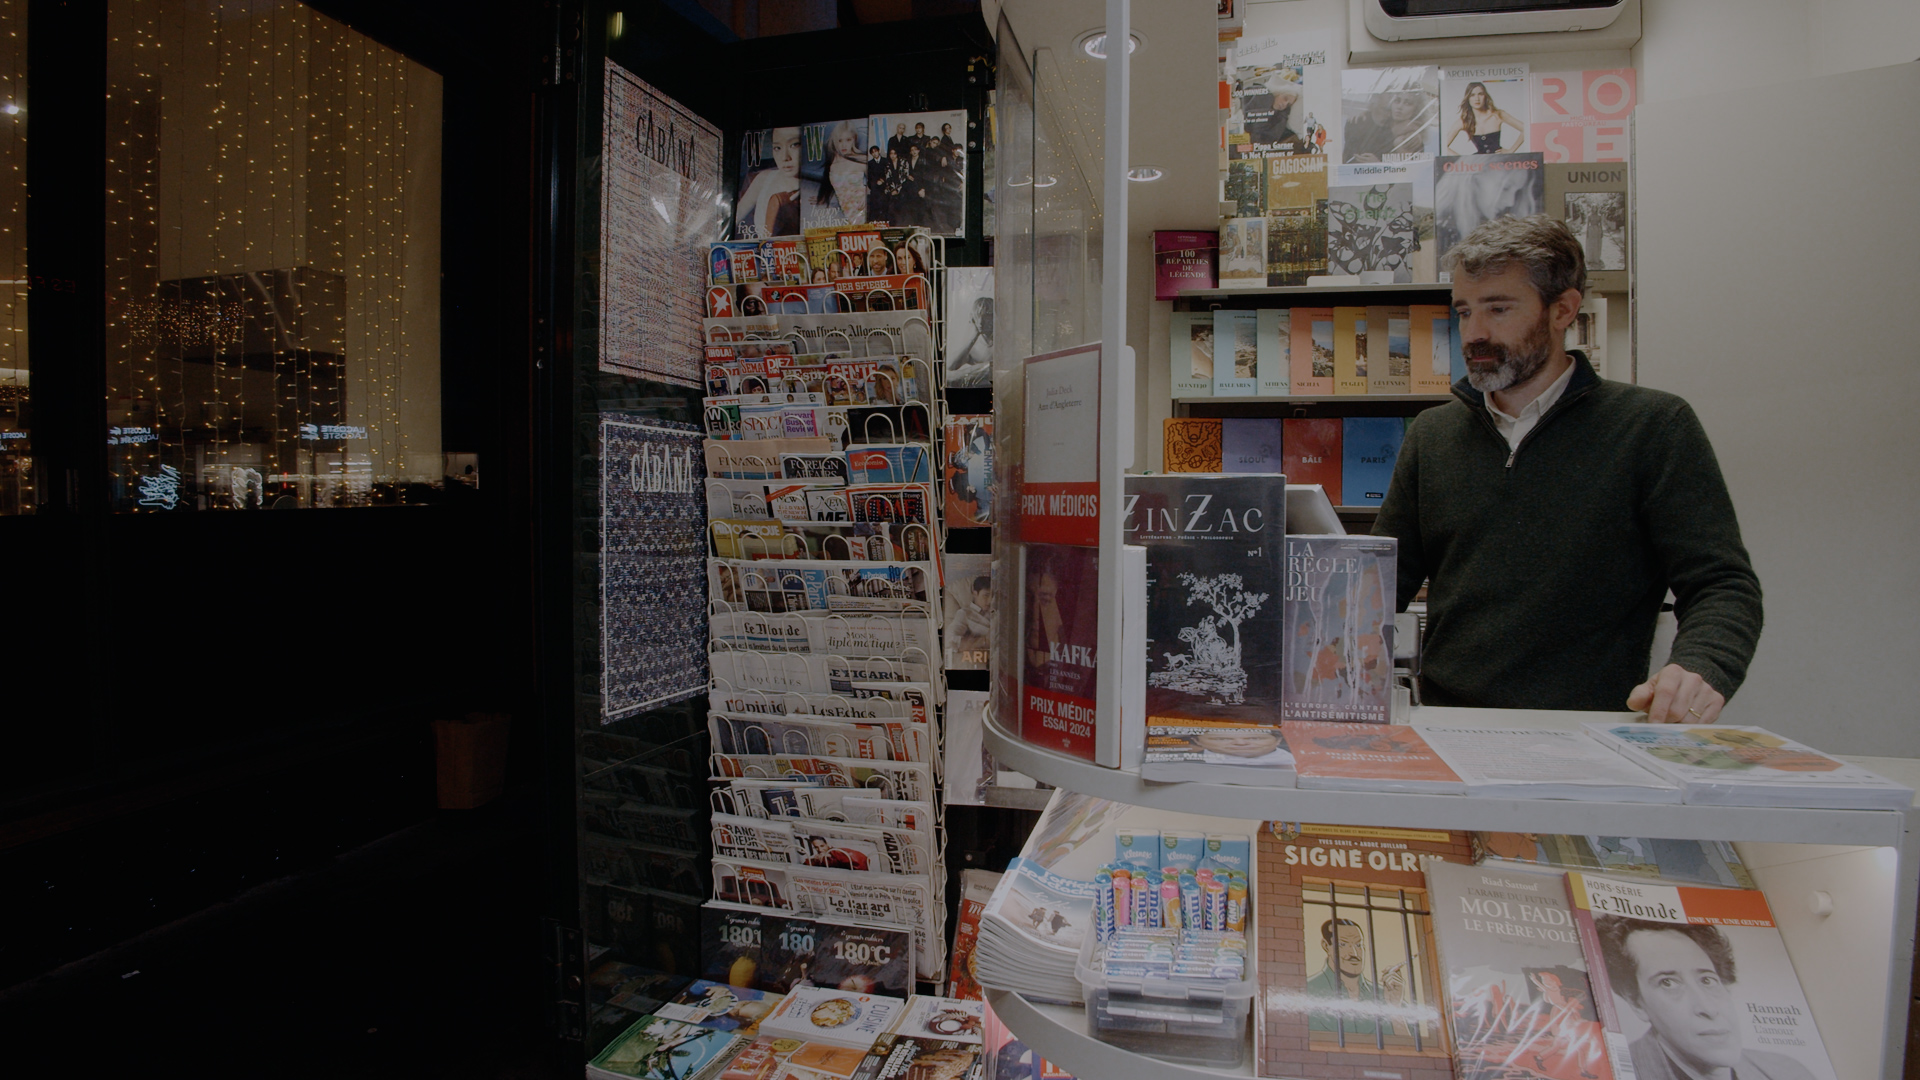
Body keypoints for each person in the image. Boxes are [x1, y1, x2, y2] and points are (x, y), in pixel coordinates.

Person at [1371, 215, 1762, 721]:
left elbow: (1721, 583)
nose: (1475, 333)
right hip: (1450, 725)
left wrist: (1701, 666)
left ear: (1563, 310)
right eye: (1464, 311)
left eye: (1498, 308)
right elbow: (1378, 586)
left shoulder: (1653, 427)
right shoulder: (1433, 435)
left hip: (1594, 729)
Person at [1594, 917, 1816, 1080]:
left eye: (1707, 980)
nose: (1708, 1008)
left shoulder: (1789, 1071)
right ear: (1636, 1002)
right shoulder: (1607, 1072)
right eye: (1668, 983)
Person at [1305, 917, 1405, 1036]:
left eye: (1358, 945)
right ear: (1326, 946)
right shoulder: (1307, 991)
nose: (1354, 953)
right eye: (1343, 944)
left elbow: (1410, 1047)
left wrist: (1395, 1008)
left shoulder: (1388, 996)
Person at [738, 126, 803, 238]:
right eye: (777, 148)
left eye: (794, 145)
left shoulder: (814, 186)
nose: (785, 157)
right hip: (763, 252)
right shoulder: (764, 178)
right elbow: (731, 218)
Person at [1444, 81, 1524, 155]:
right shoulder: (1464, 121)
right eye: (1472, 95)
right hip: (1478, 165)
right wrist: (1463, 161)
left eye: (1480, 94)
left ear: (1485, 96)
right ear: (1468, 98)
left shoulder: (1498, 115)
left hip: (1499, 163)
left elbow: (1526, 129)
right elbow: (1443, 146)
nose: (1477, 99)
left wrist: (1511, 150)